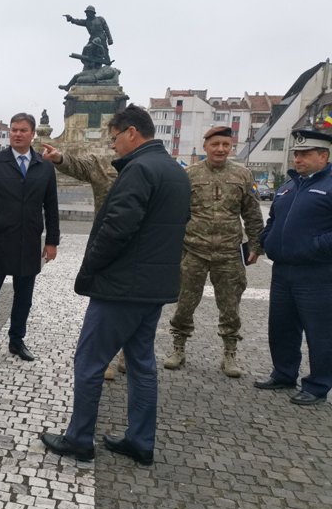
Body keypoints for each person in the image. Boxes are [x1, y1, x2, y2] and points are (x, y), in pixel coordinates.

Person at [40, 105, 191, 465]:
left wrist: (91, 265)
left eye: (115, 138)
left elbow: (117, 227)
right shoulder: (175, 171)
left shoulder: (138, 169)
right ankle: (140, 441)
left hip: (122, 286)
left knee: (89, 362)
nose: (113, 145)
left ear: (132, 133)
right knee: (141, 363)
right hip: (154, 286)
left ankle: (79, 439)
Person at [166, 126, 264, 377]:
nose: (220, 149)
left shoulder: (243, 174)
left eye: (226, 145)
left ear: (231, 147)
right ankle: (178, 347)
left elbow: (252, 214)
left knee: (231, 307)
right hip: (193, 250)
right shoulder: (188, 174)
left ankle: (229, 353)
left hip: (229, 253)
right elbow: (176, 214)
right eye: (215, 144)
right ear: (206, 145)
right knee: (184, 304)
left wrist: (255, 245)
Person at [0, 112, 60, 364]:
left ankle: (17, 340)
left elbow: (51, 207)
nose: (17, 134)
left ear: (32, 134)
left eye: (22, 130)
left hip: (28, 243)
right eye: (13, 130)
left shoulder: (44, 167)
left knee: (24, 298)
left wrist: (52, 241)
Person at [255, 128, 332, 406]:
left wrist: (314, 248)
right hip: (283, 270)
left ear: (323, 156)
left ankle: (318, 384)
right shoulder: (289, 185)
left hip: (317, 272)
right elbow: (274, 219)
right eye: (296, 154)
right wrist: (266, 239)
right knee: (282, 326)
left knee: (319, 331)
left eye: (304, 154)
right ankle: (284, 373)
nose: (297, 159)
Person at [40, 143, 125, 380]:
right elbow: (77, 166)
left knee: (133, 305)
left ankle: (127, 353)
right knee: (104, 304)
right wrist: (59, 158)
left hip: (140, 248)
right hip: (106, 245)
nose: (115, 140)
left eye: (118, 135)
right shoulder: (101, 163)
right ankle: (105, 357)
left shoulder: (153, 166)